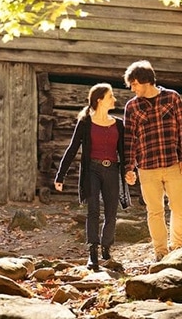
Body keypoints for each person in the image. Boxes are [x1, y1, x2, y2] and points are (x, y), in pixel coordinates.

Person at [54, 83, 131, 271]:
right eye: (110, 96)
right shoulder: (85, 122)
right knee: (93, 210)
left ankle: (106, 246)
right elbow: (72, 148)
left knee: (111, 212)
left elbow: (124, 152)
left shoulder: (119, 124)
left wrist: (129, 170)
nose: (114, 99)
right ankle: (93, 252)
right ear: (99, 100)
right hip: (92, 171)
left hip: (112, 170)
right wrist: (60, 175)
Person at [123, 60, 182, 262]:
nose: (132, 89)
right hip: (147, 168)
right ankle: (161, 253)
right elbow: (129, 139)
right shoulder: (132, 106)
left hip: (173, 164)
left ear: (144, 81)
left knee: (179, 208)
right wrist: (129, 167)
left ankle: (177, 248)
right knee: (155, 212)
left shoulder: (172, 98)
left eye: (134, 84)